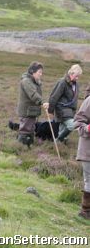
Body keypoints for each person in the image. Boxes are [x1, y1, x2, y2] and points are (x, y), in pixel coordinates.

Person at [16, 61, 49, 148]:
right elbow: (33, 94)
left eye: (42, 72)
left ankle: (28, 147)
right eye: (39, 72)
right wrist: (42, 102)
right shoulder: (26, 81)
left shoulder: (35, 81)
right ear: (32, 71)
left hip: (32, 110)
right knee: (25, 130)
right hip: (27, 111)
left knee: (30, 129)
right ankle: (21, 148)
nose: (41, 74)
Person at [48, 64, 83, 143]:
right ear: (71, 73)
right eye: (76, 76)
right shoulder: (62, 82)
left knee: (63, 129)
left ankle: (60, 145)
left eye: (79, 76)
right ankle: (58, 140)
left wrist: (74, 110)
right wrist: (50, 111)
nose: (77, 78)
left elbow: (75, 99)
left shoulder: (76, 84)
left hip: (70, 111)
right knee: (72, 125)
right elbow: (54, 97)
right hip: (61, 110)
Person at [73, 85, 90, 220]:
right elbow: (78, 122)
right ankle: (85, 211)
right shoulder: (89, 101)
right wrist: (88, 128)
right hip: (88, 151)